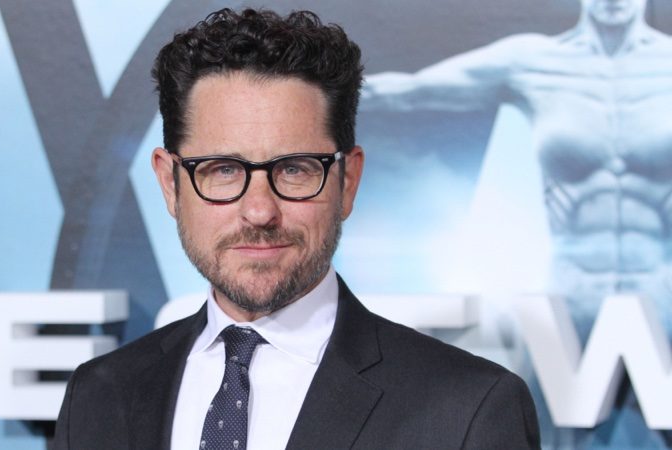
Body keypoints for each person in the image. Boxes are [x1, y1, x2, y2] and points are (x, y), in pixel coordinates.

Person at [52, 8, 540, 450]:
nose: (259, 211)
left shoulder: (468, 411)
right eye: (223, 170)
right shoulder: (97, 397)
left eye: (294, 169)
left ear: (348, 181)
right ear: (169, 184)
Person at [361, 0, 672, 336]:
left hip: (662, 294)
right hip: (569, 297)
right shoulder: (532, 61)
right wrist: (319, 90)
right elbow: (408, 90)